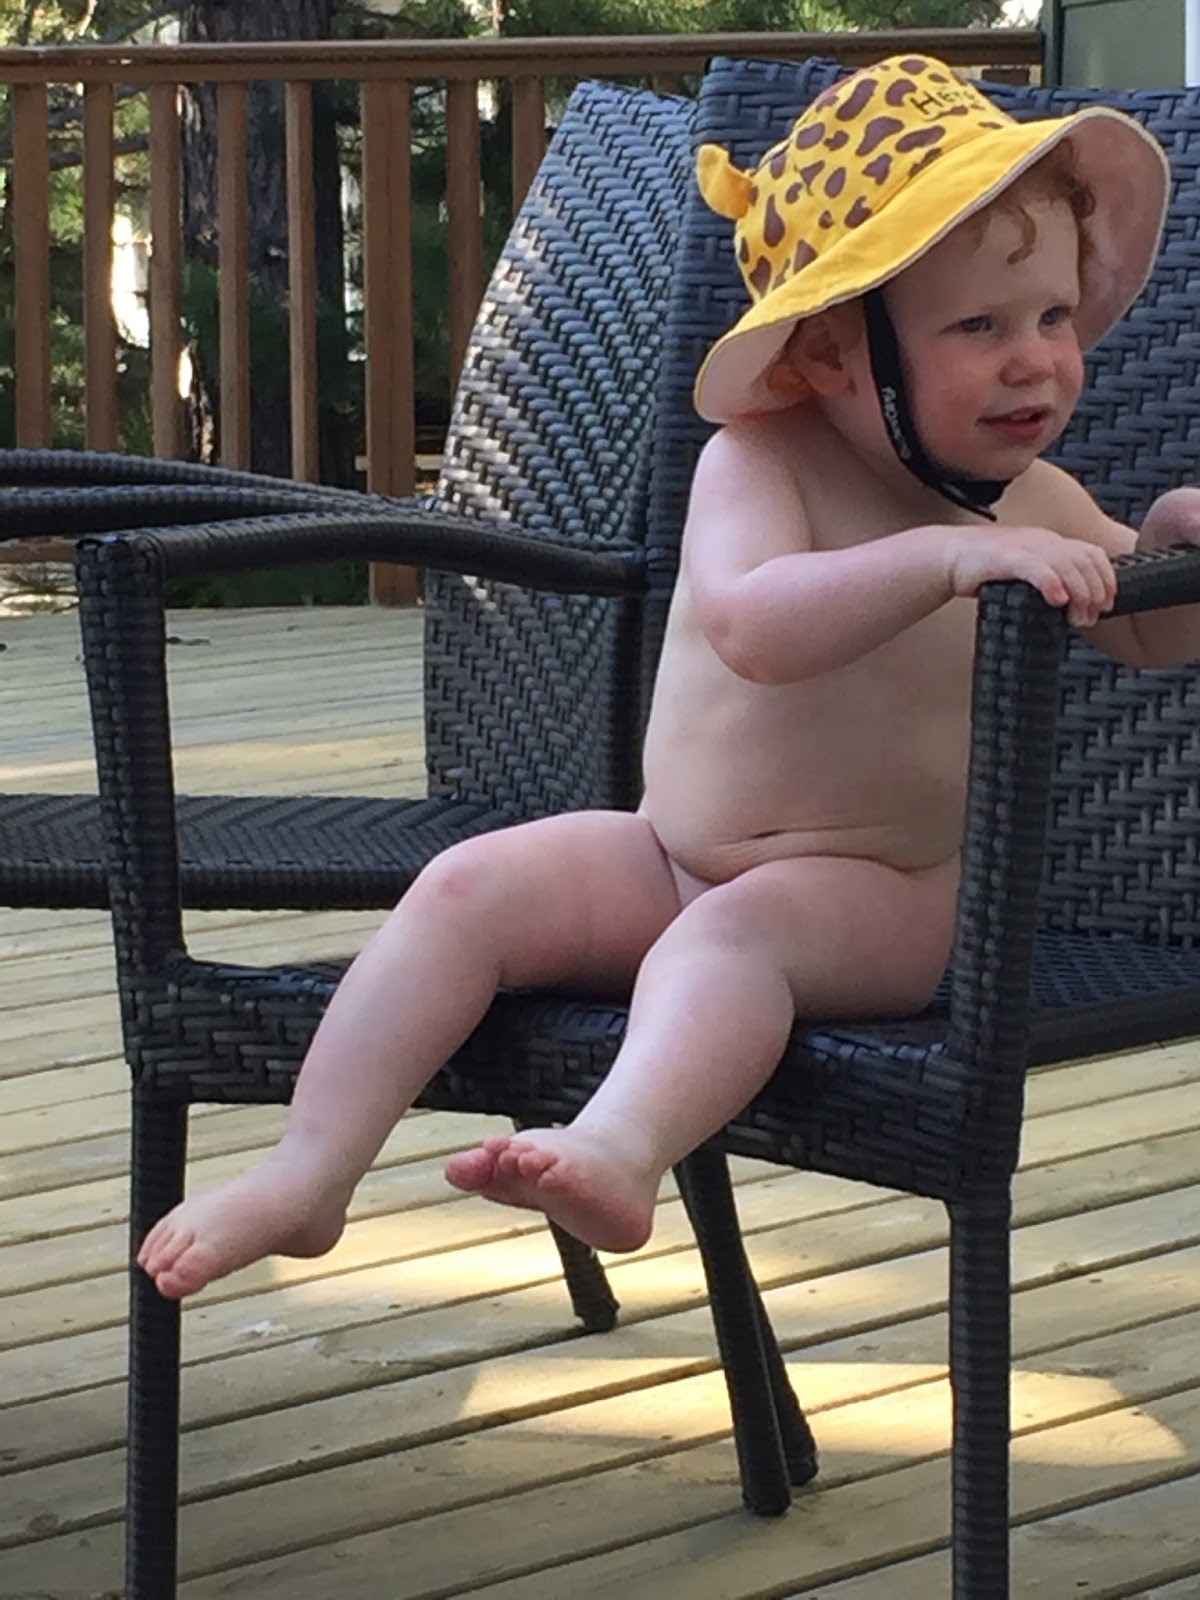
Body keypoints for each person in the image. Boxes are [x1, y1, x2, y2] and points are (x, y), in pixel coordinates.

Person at [139, 55, 1200, 1300]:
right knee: (467, 885)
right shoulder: (762, 464)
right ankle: (310, 1172)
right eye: (981, 326)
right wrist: (947, 557)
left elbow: (1147, 636)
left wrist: (1170, 548)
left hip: (889, 898)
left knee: (730, 939)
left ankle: (619, 1144)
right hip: (670, 852)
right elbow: (754, 623)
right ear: (829, 351)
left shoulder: (1038, 502)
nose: (1036, 361)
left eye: (1054, 317)